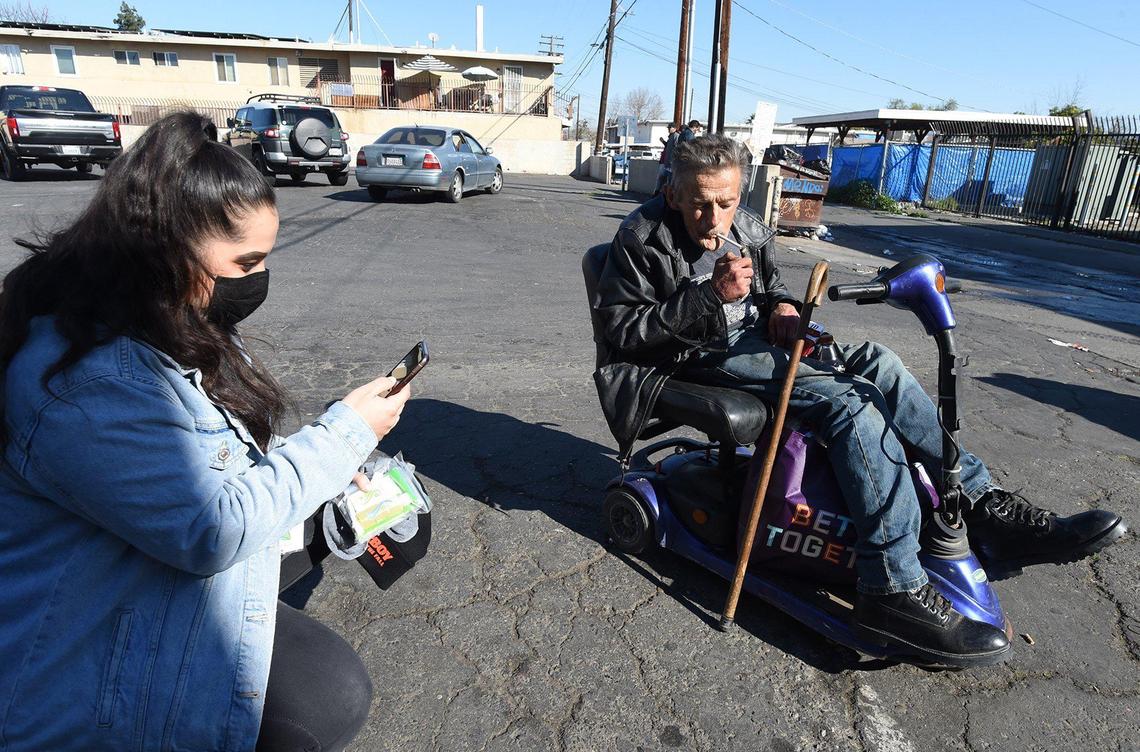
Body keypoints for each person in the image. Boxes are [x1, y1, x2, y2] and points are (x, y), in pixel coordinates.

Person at [592, 134, 1125, 666]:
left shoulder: (748, 225)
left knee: (880, 361)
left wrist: (780, 309)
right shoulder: (641, 238)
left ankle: (983, 507)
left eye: (726, 203)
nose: (714, 219)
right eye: (700, 204)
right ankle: (890, 586)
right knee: (849, 404)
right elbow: (624, 334)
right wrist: (707, 295)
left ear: (740, 191)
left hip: (754, 341)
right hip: (692, 356)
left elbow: (772, 287)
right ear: (674, 194)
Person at [0, 112, 409, 751]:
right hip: (81, 673)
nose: (256, 281)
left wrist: (331, 488)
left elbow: (228, 462)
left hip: (143, 582)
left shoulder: (175, 322)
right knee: (327, 694)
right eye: (245, 262)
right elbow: (209, 529)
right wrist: (345, 432)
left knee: (330, 680)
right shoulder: (88, 381)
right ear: (166, 253)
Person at [653, 123, 679, 196]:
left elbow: (677, 148)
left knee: (669, 181)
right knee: (662, 179)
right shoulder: (671, 136)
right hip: (666, 161)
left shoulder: (676, 136)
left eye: (670, 128)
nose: (668, 129)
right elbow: (668, 146)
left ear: (674, 128)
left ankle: (666, 195)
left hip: (671, 162)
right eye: (668, 128)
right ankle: (658, 193)